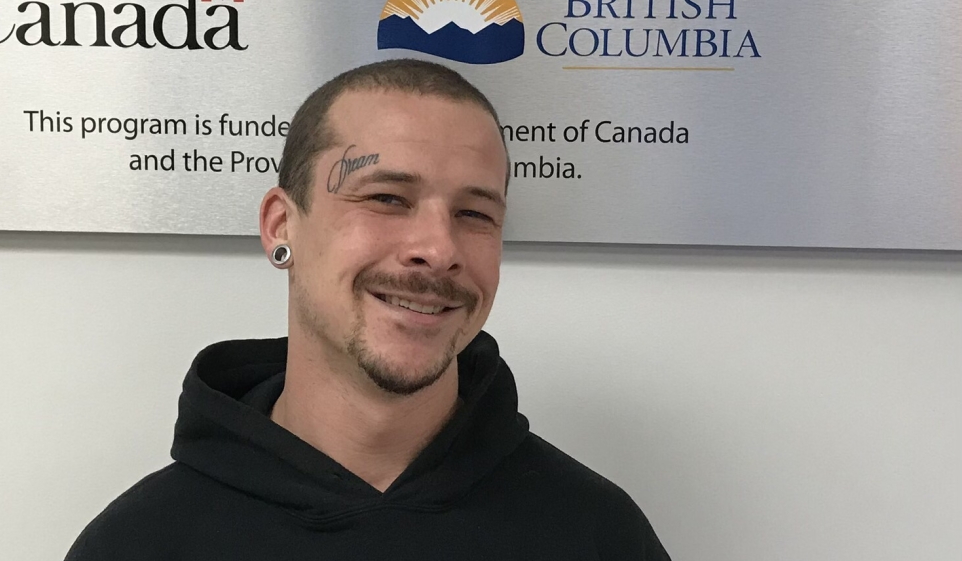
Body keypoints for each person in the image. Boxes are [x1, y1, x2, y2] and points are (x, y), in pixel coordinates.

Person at [64, 59, 670, 560]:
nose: (437, 250)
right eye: (386, 198)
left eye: (475, 214)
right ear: (282, 224)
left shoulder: (596, 536)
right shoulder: (137, 545)